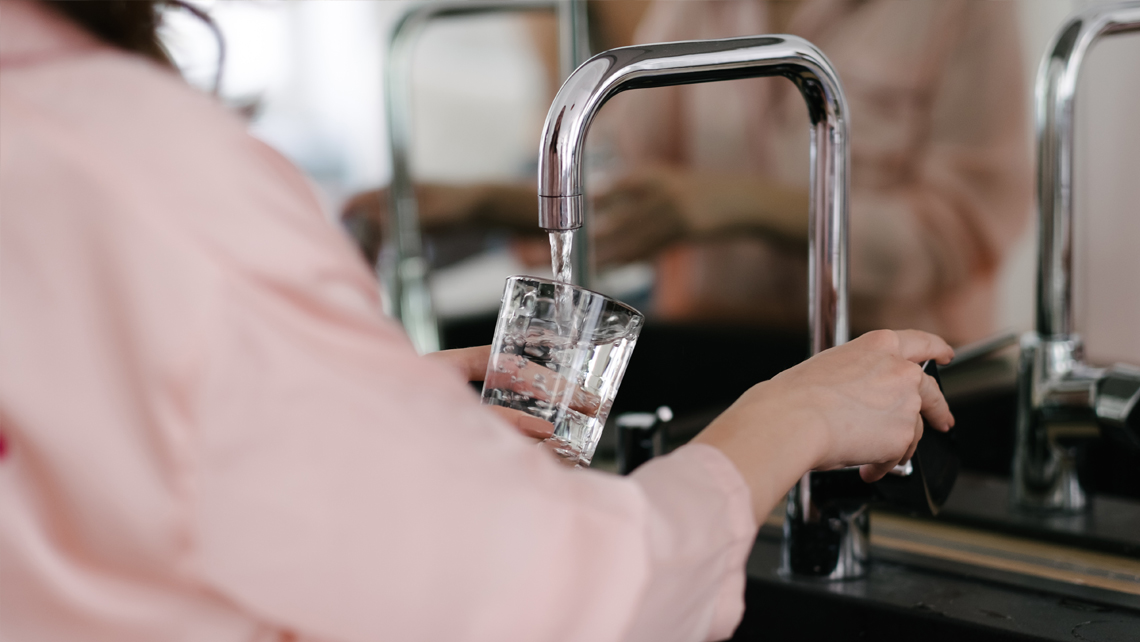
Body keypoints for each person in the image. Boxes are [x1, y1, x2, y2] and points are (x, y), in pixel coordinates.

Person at [0, 2, 954, 641]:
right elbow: (565, 600)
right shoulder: (136, 164)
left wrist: (352, 410)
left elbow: (91, 455)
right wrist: (790, 422)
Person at [344, 0, 1031, 347]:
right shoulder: (699, 6)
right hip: (711, 362)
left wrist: (739, 205)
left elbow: (958, 234)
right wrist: (483, 203)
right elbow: (624, 183)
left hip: (898, 371)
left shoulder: (965, 14)